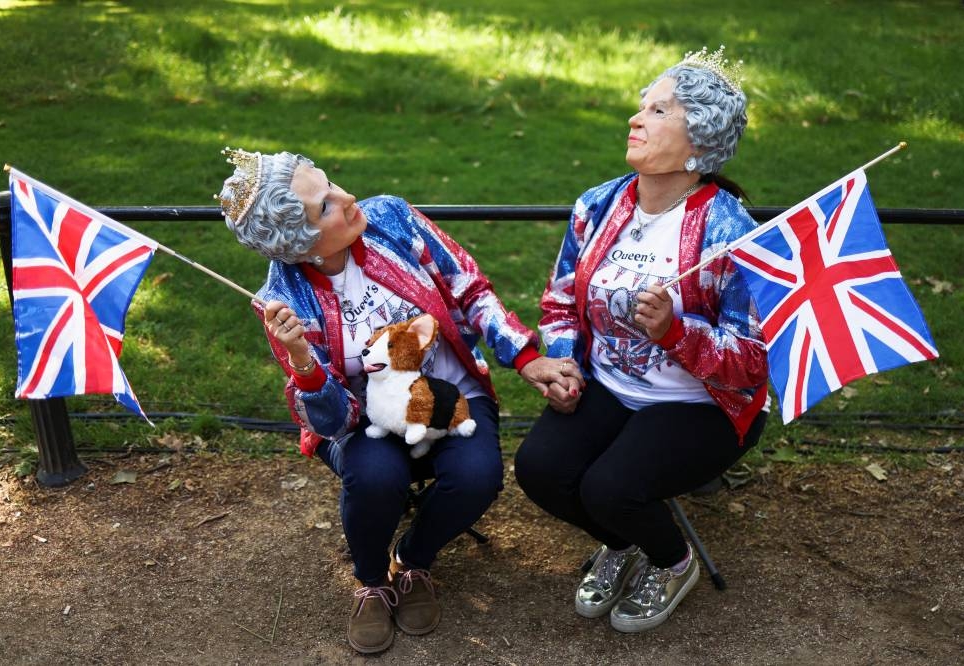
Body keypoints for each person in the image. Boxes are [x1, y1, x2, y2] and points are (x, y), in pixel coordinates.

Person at [216, 150, 573, 654]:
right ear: (301, 244)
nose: (347, 198)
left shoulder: (391, 218)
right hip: (364, 420)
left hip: (451, 396)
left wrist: (526, 356)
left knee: (478, 477)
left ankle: (411, 560)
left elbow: (467, 287)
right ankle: (371, 582)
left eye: (333, 183)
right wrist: (303, 359)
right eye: (325, 207)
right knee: (375, 477)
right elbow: (331, 418)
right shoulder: (283, 301)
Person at [513, 46, 770, 633]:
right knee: (540, 470)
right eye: (640, 106)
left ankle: (672, 562)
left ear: (698, 144)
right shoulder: (599, 205)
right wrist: (563, 361)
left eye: (658, 111)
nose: (636, 119)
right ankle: (623, 542)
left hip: (698, 403)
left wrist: (675, 332)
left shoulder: (730, 231)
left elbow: (753, 359)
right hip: (609, 383)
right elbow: (559, 300)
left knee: (609, 487)